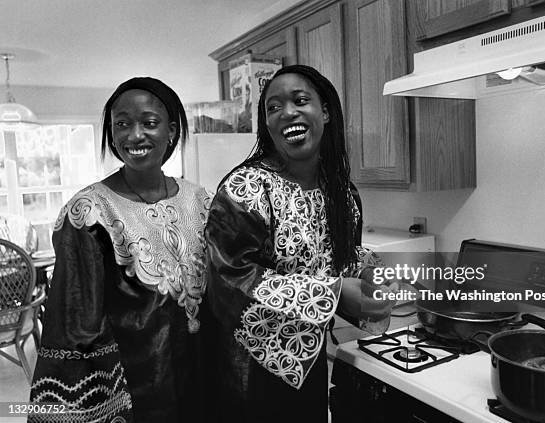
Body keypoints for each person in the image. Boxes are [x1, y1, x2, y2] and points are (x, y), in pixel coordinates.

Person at [204, 65, 397, 422]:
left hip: (308, 367)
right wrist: (335, 292)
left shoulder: (342, 193)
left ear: (324, 111)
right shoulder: (246, 189)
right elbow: (226, 282)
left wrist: (370, 280)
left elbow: (340, 259)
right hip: (247, 374)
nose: (286, 112)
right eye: (273, 107)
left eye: (299, 100)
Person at [29, 77, 212, 423]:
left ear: (171, 130)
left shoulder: (199, 200)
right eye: (122, 124)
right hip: (135, 396)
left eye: (149, 123)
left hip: (202, 383)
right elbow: (77, 328)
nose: (134, 135)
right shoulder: (90, 212)